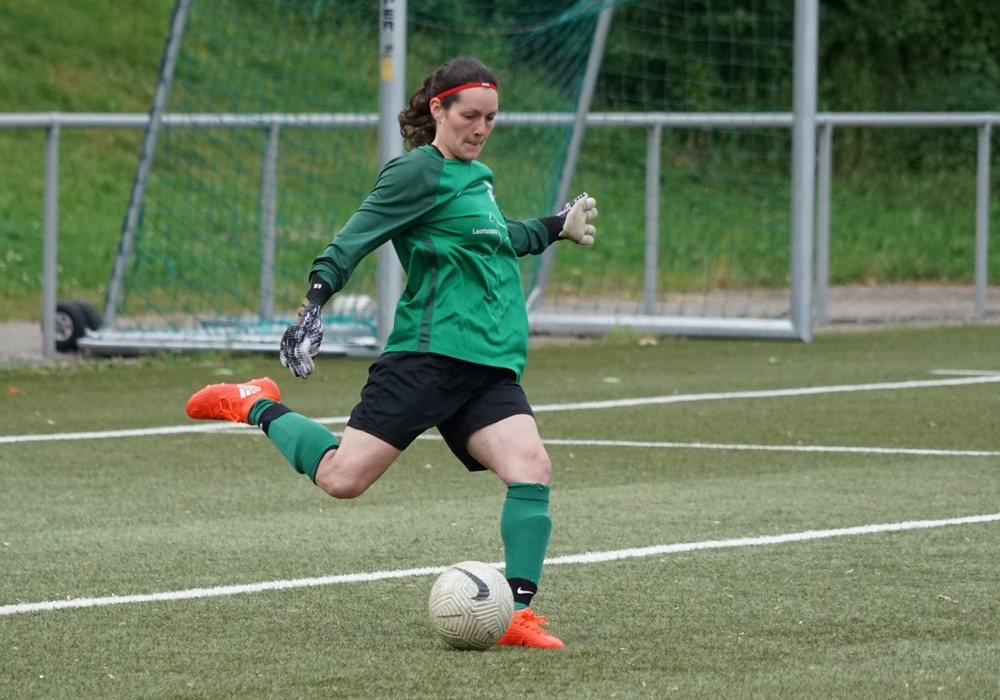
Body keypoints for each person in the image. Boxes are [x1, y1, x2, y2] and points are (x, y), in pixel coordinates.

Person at [185, 56, 598, 649]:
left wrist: (555, 226)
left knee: (531, 468)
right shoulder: (414, 173)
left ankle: (515, 615)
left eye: (491, 119)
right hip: (427, 359)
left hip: (488, 366)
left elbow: (500, 237)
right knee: (342, 479)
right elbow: (355, 237)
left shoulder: (475, 179)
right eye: (470, 116)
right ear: (438, 110)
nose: (481, 129)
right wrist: (315, 300)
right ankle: (255, 403)